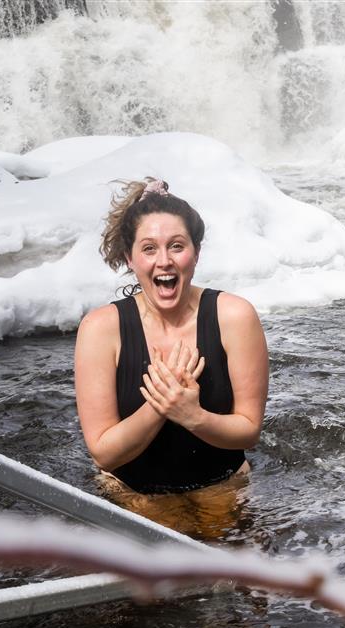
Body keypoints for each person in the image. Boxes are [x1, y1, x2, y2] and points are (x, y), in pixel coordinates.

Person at [74, 177, 268, 527]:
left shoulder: (234, 317)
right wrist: (163, 405)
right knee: (162, 549)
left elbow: (249, 430)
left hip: (224, 484)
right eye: (149, 249)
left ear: (196, 252)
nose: (164, 261)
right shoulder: (100, 329)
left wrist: (194, 416)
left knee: (229, 555)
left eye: (177, 246)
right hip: (131, 492)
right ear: (130, 258)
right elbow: (103, 453)